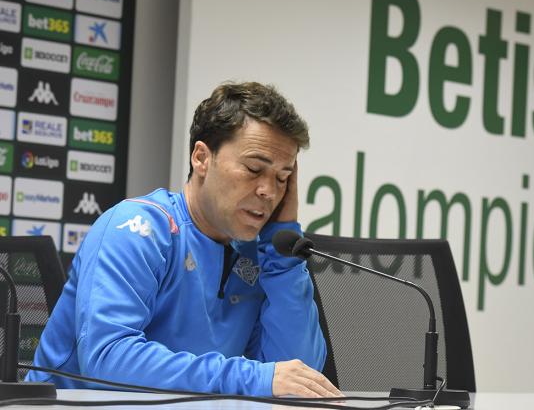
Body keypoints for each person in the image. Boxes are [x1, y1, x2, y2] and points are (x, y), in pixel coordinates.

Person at [27, 82, 341, 398]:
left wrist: (281, 253)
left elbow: (300, 378)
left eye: (282, 178)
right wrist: (249, 378)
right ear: (201, 158)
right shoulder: (137, 228)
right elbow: (108, 360)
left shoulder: (258, 254)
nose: (269, 191)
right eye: (254, 169)